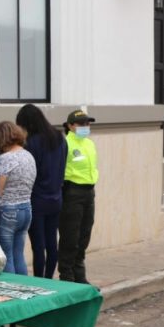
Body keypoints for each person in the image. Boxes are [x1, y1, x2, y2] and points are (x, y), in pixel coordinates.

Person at [16, 104, 68, 278]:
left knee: (38, 246)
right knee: (52, 244)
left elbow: (29, 172)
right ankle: (49, 278)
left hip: (36, 200)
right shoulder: (59, 138)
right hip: (56, 198)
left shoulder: (31, 143)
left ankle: (39, 280)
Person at [59, 110, 99, 284]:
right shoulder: (65, 144)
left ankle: (79, 274)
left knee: (84, 235)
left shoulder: (89, 144)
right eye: (81, 124)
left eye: (87, 124)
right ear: (70, 126)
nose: (85, 127)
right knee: (70, 236)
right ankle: (67, 275)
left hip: (89, 192)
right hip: (72, 192)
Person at [0, 121, 37, 275]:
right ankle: (23, 286)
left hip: (8, 210)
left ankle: (10, 288)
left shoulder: (6, 158)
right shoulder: (28, 155)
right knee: (18, 254)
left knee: (6, 256)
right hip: (26, 208)